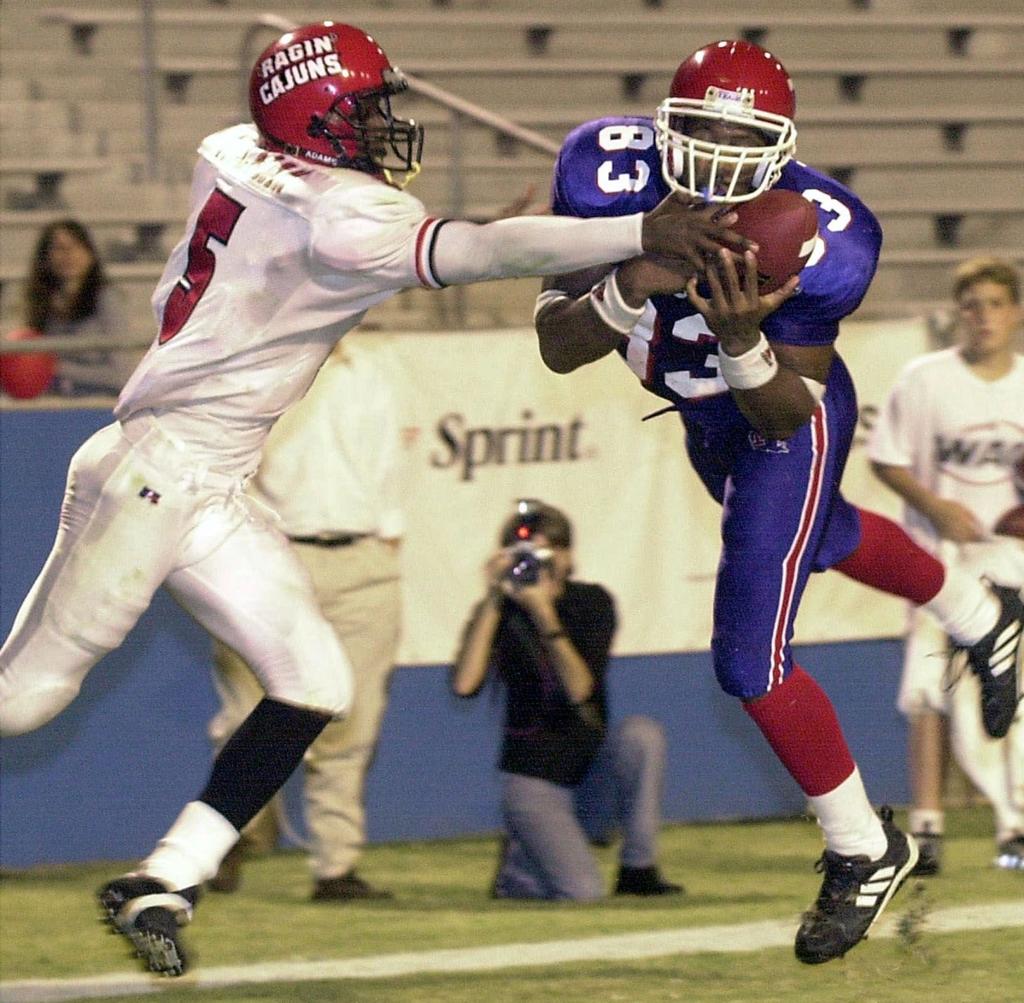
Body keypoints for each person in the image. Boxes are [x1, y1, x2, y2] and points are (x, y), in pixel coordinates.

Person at [0, 21, 744, 978]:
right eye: (364, 110)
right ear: (315, 118)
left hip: (208, 480)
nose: (382, 126)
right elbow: (473, 250)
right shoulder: (342, 215)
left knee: (315, 682)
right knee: (22, 701)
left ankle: (164, 878)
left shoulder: (233, 150)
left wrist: (451, 237)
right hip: (155, 473)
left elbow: (368, 237)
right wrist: (640, 231)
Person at [531, 39, 1024, 964]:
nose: (719, 155)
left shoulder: (824, 229)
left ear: (783, 146)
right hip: (700, 415)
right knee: (825, 536)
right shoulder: (603, 168)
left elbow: (786, 408)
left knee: (749, 658)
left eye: (742, 137)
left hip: (785, 410)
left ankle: (864, 846)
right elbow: (559, 346)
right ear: (663, 126)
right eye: (703, 130)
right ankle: (981, 612)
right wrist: (635, 272)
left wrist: (737, 336)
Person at [206, 339, 403, 900]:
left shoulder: (372, 369)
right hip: (274, 557)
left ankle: (336, 866)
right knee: (247, 713)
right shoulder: (255, 366)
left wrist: (388, 541)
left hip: (363, 555)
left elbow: (388, 468)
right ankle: (227, 833)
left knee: (353, 718)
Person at [869, 256, 1024, 875]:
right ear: (958, 312)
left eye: (995, 304)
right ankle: (928, 827)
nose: (983, 316)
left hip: (1012, 561)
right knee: (928, 690)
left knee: (1010, 693)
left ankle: (1013, 824)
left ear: (1015, 313)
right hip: (940, 560)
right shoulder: (925, 379)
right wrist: (936, 508)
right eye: (972, 305)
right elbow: (886, 457)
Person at [451, 500, 682, 901]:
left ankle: (638, 869)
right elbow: (465, 684)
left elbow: (580, 690)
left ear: (568, 556)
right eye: (524, 554)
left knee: (642, 735)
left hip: (591, 775)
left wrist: (545, 615)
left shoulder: (591, 603)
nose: (536, 563)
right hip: (534, 781)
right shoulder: (499, 612)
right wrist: (493, 599)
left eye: (548, 552)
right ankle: (520, 865)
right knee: (582, 893)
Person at [15, 219, 139, 396]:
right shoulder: (43, 303)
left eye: (75, 246)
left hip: (100, 403)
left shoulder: (106, 299)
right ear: (46, 257)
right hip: (55, 402)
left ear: (90, 253)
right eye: (59, 248)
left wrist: (56, 368)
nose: (68, 254)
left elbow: (122, 375)